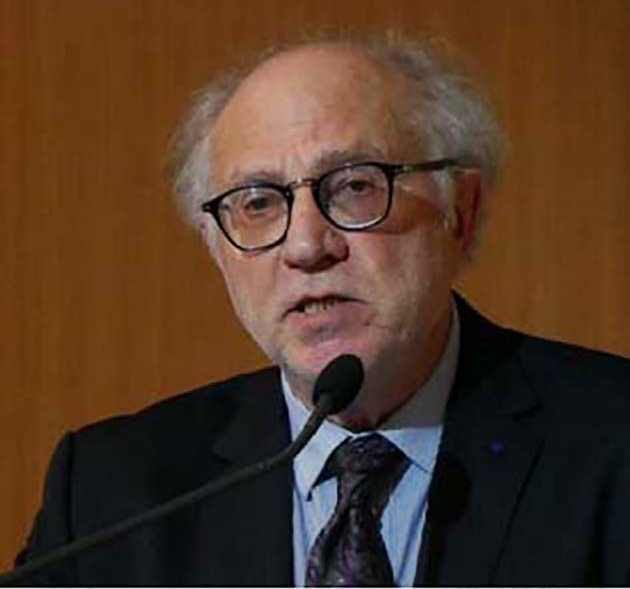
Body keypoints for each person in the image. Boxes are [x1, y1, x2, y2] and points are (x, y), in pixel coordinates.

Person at [15, 31, 630, 586]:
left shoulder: (612, 443)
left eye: (356, 186)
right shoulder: (114, 496)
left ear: (460, 213)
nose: (307, 246)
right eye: (258, 203)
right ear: (218, 251)